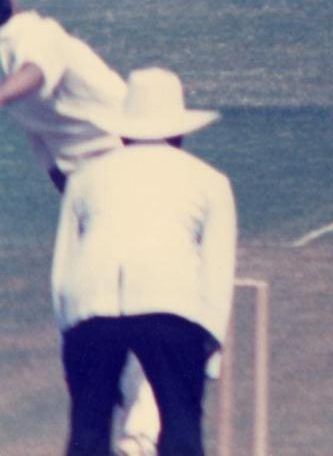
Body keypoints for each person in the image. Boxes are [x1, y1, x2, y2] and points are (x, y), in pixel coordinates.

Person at [0, 0, 162, 454]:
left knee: (135, 309)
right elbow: (51, 156)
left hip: (130, 173)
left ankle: (140, 435)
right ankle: (133, 432)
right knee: (104, 314)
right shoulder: (16, 42)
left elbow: (35, 72)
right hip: (104, 193)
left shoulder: (33, 34)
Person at [52, 66, 236, 456]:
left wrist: (68, 338)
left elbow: (64, 266)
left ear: (121, 130)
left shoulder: (86, 176)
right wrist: (211, 346)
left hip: (91, 306)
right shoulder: (210, 181)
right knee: (181, 426)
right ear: (181, 131)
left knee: (88, 429)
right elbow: (217, 270)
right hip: (171, 305)